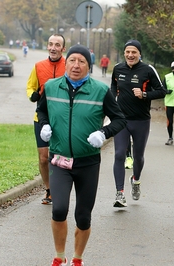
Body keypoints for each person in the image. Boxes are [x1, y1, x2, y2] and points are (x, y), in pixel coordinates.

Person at [36, 44, 126, 266]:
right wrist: (45, 125)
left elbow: (119, 119)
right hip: (60, 160)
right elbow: (41, 110)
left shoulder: (100, 90)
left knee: (83, 216)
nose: (76, 65)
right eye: (72, 60)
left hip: (88, 163)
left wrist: (103, 133)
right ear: (65, 63)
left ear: (89, 65)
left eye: (82, 61)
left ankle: (77, 258)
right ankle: (59, 256)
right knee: (58, 209)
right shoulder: (50, 87)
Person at [110, 39, 166, 207]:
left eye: (134, 52)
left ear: (139, 54)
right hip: (121, 119)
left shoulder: (148, 70)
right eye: (127, 52)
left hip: (141, 120)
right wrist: (111, 104)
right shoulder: (118, 68)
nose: (130, 55)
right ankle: (119, 194)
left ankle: (136, 180)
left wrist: (144, 95)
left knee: (138, 157)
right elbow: (114, 88)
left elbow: (162, 91)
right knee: (120, 154)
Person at [26, 34, 66, 204]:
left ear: (63, 49)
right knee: (43, 157)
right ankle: (49, 190)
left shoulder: (69, 65)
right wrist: (32, 95)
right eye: (50, 44)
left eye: (57, 45)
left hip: (62, 118)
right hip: (41, 118)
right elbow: (30, 87)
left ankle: (61, 188)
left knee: (59, 156)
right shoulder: (38, 66)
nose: (53, 48)